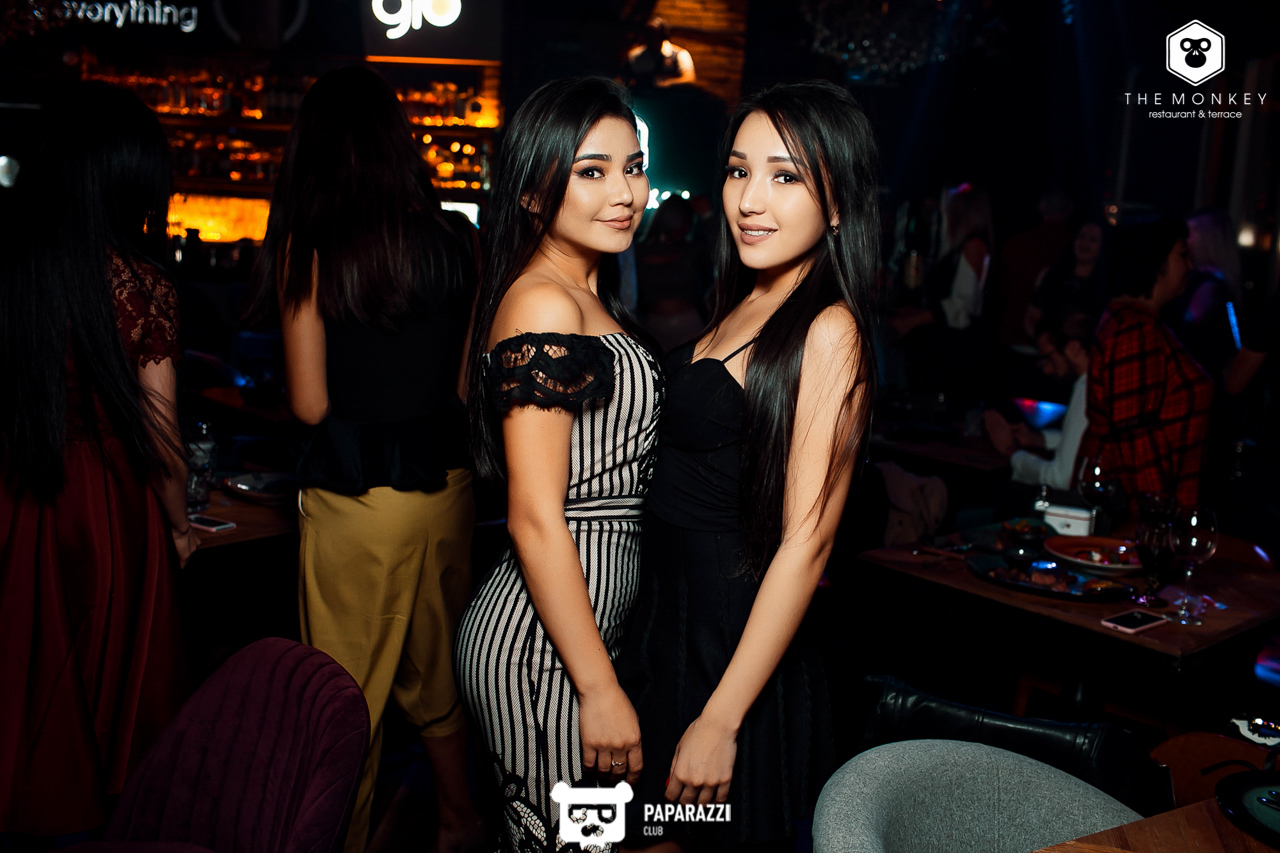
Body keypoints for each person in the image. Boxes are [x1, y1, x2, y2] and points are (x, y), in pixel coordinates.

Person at [619, 79, 878, 851]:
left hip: (728, 654)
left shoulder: (829, 328)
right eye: (739, 170)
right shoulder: (745, 296)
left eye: (785, 176)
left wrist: (721, 719)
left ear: (838, 203)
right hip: (667, 628)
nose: (750, 200)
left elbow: (807, 543)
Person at [244, 67, 482, 853]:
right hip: (445, 488)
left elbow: (311, 404)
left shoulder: (311, 249)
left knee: (346, 693)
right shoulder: (459, 239)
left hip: (356, 499)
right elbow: (461, 387)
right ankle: (459, 819)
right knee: (435, 670)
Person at [453, 77, 661, 853]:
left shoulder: (585, 297)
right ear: (534, 193)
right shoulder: (544, 303)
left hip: (576, 642)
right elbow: (535, 516)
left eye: (633, 167)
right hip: (539, 652)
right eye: (592, 171)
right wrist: (598, 686)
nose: (624, 192)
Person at [0, 82, 192, 835]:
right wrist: (180, 528)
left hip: (16, 486)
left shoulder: (12, 270)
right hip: (108, 511)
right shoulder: (140, 284)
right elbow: (162, 441)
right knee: (104, 704)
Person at [1077, 218, 1213, 509]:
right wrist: (1156, 518)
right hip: (1136, 511)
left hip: (1140, 506)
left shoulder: (1137, 322)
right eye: (1182, 255)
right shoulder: (1135, 329)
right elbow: (1135, 439)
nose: (1190, 266)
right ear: (1155, 261)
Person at [985, 311, 1095, 490]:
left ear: (1074, 349)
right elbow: (1086, 443)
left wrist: (1012, 453)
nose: (1047, 369)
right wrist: (1040, 440)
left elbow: (1060, 478)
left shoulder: (1086, 388)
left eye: (1049, 357)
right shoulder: (1101, 381)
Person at [1025, 220, 1108, 335]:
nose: (1085, 243)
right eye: (1081, 237)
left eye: (1093, 240)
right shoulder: (1054, 273)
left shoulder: (1106, 283)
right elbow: (1034, 312)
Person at [626, 17, 697, 89]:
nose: (651, 38)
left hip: (671, 94)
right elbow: (626, 78)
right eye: (648, 34)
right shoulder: (635, 55)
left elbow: (690, 79)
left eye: (654, 34)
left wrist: (668, 83)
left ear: (664, 35)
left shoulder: (680, 54)